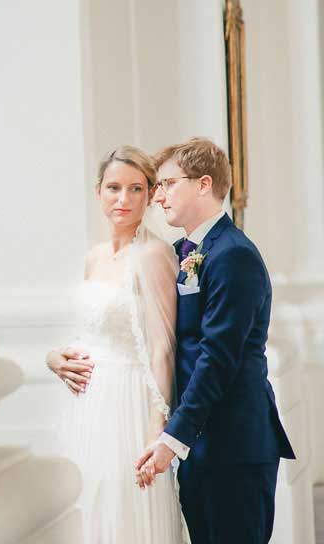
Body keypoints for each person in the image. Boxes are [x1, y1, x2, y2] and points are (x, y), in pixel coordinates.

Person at [134, 138, 294, 543]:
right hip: (200, 446)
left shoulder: (233, 255)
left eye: (169, 183)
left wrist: (173, 437)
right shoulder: (183, 251)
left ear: (204, 184)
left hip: (234, 446)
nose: (159, 196)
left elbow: (218, 357)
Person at [45, 146, 184, 543]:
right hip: (85, 402)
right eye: (114, 188)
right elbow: (91, 330)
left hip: (128, 401)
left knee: (122, 505)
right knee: (88, 504)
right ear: (98, 192)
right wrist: (54, 357)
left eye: (136, 189)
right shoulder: (94, 257)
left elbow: (162, 349)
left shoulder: (154, 254)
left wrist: (157, 429)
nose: (124, 199)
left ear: (151, 194)